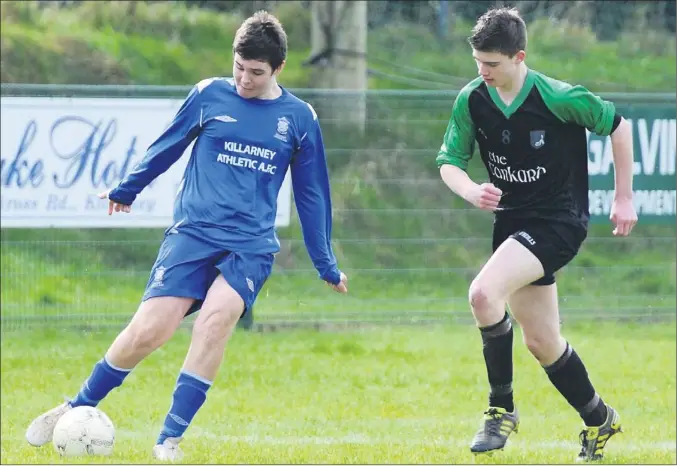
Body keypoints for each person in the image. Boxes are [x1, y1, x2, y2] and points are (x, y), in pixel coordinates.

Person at [25, 10, 348, 461]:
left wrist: (325, 262)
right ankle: (75, 407)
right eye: (239, 66)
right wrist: (128, 189)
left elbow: (312, 195)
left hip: (250, 246)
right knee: (149, 331)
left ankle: (168, 440)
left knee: (215, 321)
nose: (244, 79)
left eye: (256, 72)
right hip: (193, 234)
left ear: (278, 69)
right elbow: (168, 144)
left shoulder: (298, 118)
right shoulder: (208, 95)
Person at [436, 7, 637, 462]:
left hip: (559, 220)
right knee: (542, 342)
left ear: (519, 56)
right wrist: (471, 190)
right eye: (478, 63)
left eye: (492, 64)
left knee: (483, 295)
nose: (483, 73)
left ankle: (500, 409)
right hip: (512, 223)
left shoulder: (559, 97)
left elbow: (619, 127)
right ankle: (600, 420)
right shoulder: (473, 99)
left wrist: (623, 197)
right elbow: (449, 160)